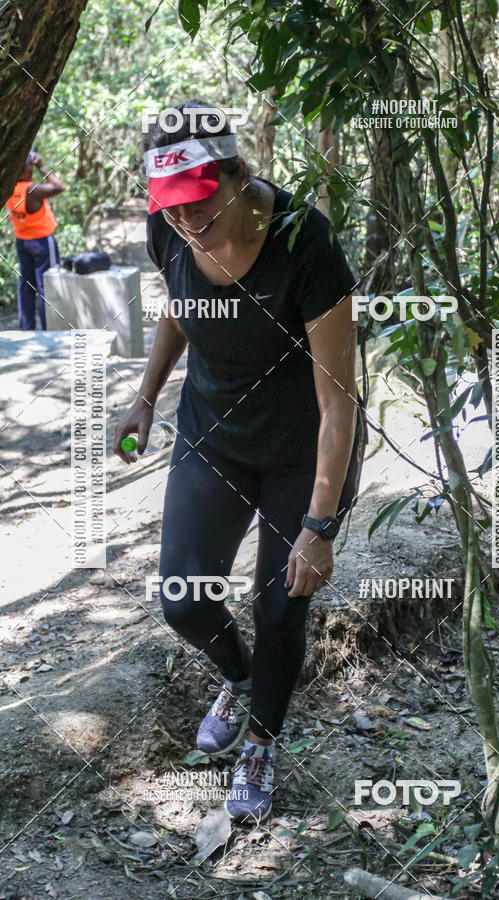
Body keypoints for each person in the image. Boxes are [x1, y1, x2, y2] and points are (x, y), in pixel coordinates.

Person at [113, 101, 367, 824]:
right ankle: (239, 677)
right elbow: (176, 306)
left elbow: (340, 400)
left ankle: (262, 739)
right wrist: (144, 395)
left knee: (280, 606)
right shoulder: (168, 229)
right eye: (170, 208)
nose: (186, 221)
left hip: (303, 447)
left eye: (199, 203)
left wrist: (319, 521)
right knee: (183, 600)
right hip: (213, 435)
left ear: (236, 175)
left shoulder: (304, 243)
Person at [5, 149, 64, 330]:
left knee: (26, 286)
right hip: (41, 242)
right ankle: (48, 329)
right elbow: (59, 187)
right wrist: (42, 166)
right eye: (30, 165)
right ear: (24, 172)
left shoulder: (9, 189)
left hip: (22, 241)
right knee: (47, 287)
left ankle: (26, 329)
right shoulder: (31, 191)